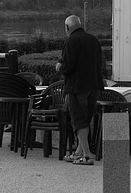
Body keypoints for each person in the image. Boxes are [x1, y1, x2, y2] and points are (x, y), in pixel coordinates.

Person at [55, 15, 104, 166]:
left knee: (79, 121)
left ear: (67, 27)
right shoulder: (93, 40)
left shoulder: (71, 41)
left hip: (77, 87)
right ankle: (78, 153)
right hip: (94, 86)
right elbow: (101, 62)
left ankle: (87, 156)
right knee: (86, 119)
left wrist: (59, 67)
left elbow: (68, 66)